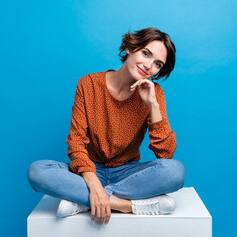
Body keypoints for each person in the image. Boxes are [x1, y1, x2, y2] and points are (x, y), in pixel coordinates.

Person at [27, 27, 186, 226]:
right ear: (130, 47)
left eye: (157, 64)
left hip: (127, 173)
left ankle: (84, 201)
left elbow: (166, 154)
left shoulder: (154, 94)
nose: (148, 66)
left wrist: (152, 104)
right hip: (89, 171)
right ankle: (124, 205)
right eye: (146, 53)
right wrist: (93, 183)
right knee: (37, 171)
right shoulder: (88, 84)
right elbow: (76, 142)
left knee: (175, 172)